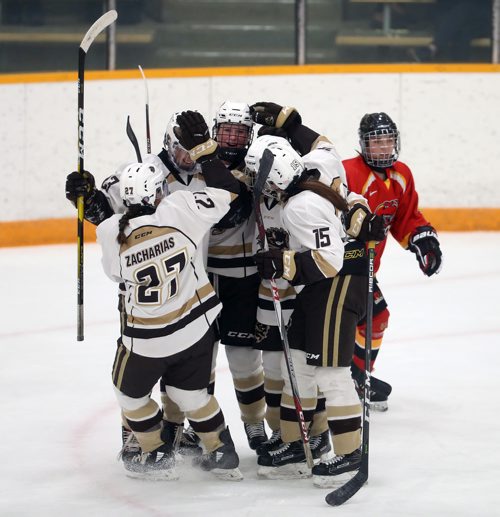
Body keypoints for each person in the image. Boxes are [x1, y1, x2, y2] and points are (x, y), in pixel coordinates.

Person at [95, 110, 245, 481]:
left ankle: (155, 447)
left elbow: (114, 263)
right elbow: (228, 193)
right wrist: (208, 154)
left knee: (131, 389)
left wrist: (95, 211)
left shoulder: (116, 227)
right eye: (183, 151)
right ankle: (217, 445)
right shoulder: (181, 205)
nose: (188, 158)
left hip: (148, 323)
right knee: (192, 389)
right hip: (195, 309)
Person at [246, 135, 382, 486]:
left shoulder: (299, 207)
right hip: (320, 289)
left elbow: (330, 259)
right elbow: (332, 158)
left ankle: (350, 454)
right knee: (299, 365)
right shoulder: (317, 169)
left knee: (331, 374)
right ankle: (297, 443)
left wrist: (282, 262)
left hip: (335, 286)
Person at [343, 112, 443, 411]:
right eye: (376, 142)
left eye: (388, 141)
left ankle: (356, 378)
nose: (383, 148)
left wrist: (422, 238)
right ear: (364, 144)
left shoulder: (401, 174)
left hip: (367, 269)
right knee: (355, 320)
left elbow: (406, 216)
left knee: (375, 318)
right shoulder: (348, 172)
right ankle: (346, 380)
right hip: (340, 267)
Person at [207, 101, 269, 451]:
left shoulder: (254, 165)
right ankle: (203, 430)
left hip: (242, 279)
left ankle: (254, 424)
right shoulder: (197, 165)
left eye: (240, 131)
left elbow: (231, 209)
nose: (232, 137)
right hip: (199, 278)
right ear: (216, 132)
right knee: (201, 360)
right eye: (226, 130)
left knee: (245, 359)